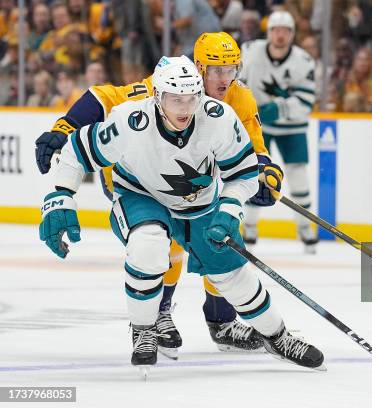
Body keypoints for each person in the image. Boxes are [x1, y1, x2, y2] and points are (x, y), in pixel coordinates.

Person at [38, 56, 324, 373]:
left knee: (234, 277)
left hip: (199, 203)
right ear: (158, 97)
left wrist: (230, 210)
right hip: (141, 194)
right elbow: (76, 151)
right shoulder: (130, 120)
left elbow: (243, 174)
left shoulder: (217, 117)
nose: (185, 108)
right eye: (176, 99)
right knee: (149, 244)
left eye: (191, 97)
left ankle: (277, 336)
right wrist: (61, 195)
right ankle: (144, 329)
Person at [239, 11, 318, 253]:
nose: (280, 35)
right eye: (276, 30)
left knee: (298, 175)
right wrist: (249, 109)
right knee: (255, 173)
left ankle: (304, 227)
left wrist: (278, 108)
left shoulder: (303, 61)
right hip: (257, 125)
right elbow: (237, 84)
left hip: (291, 126)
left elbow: (307, 101)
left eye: (285, 30)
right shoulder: (250, 51)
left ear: (292, 34)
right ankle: (250, 226)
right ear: (269, 32)